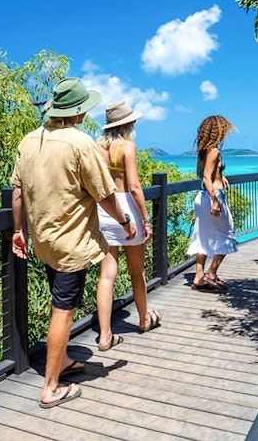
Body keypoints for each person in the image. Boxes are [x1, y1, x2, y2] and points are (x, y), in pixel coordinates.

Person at [11, 77, 137, 409]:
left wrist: (17, 231)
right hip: (71, 244)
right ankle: (51, 387)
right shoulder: (80, 143)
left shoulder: (29, 140)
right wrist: (124, 221)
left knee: (59, 298)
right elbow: (106, 194)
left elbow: (18, 191)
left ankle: (62, 361)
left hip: (43, 241)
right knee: (63, 310)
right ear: (79, 111)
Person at [94, 101, 161, 351]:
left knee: (106, 275)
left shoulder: (96, 147)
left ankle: (104, 335)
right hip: (126, 212)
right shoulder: (128, 147)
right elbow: (134, 187)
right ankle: (144, 320)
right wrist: (145, 220)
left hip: (104, 208)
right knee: (137, 271)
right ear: (127, 124)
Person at [188, 115, 238, 292]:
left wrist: (220, 175)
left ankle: (198, 277)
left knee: (202, 236)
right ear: (219, 132)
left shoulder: (203, 151)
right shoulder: (214, 151)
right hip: (211, 196)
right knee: (228, 235)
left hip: (201, 197)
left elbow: (203, 171)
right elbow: (205, 177)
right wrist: (215, 200)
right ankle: (211, 273)